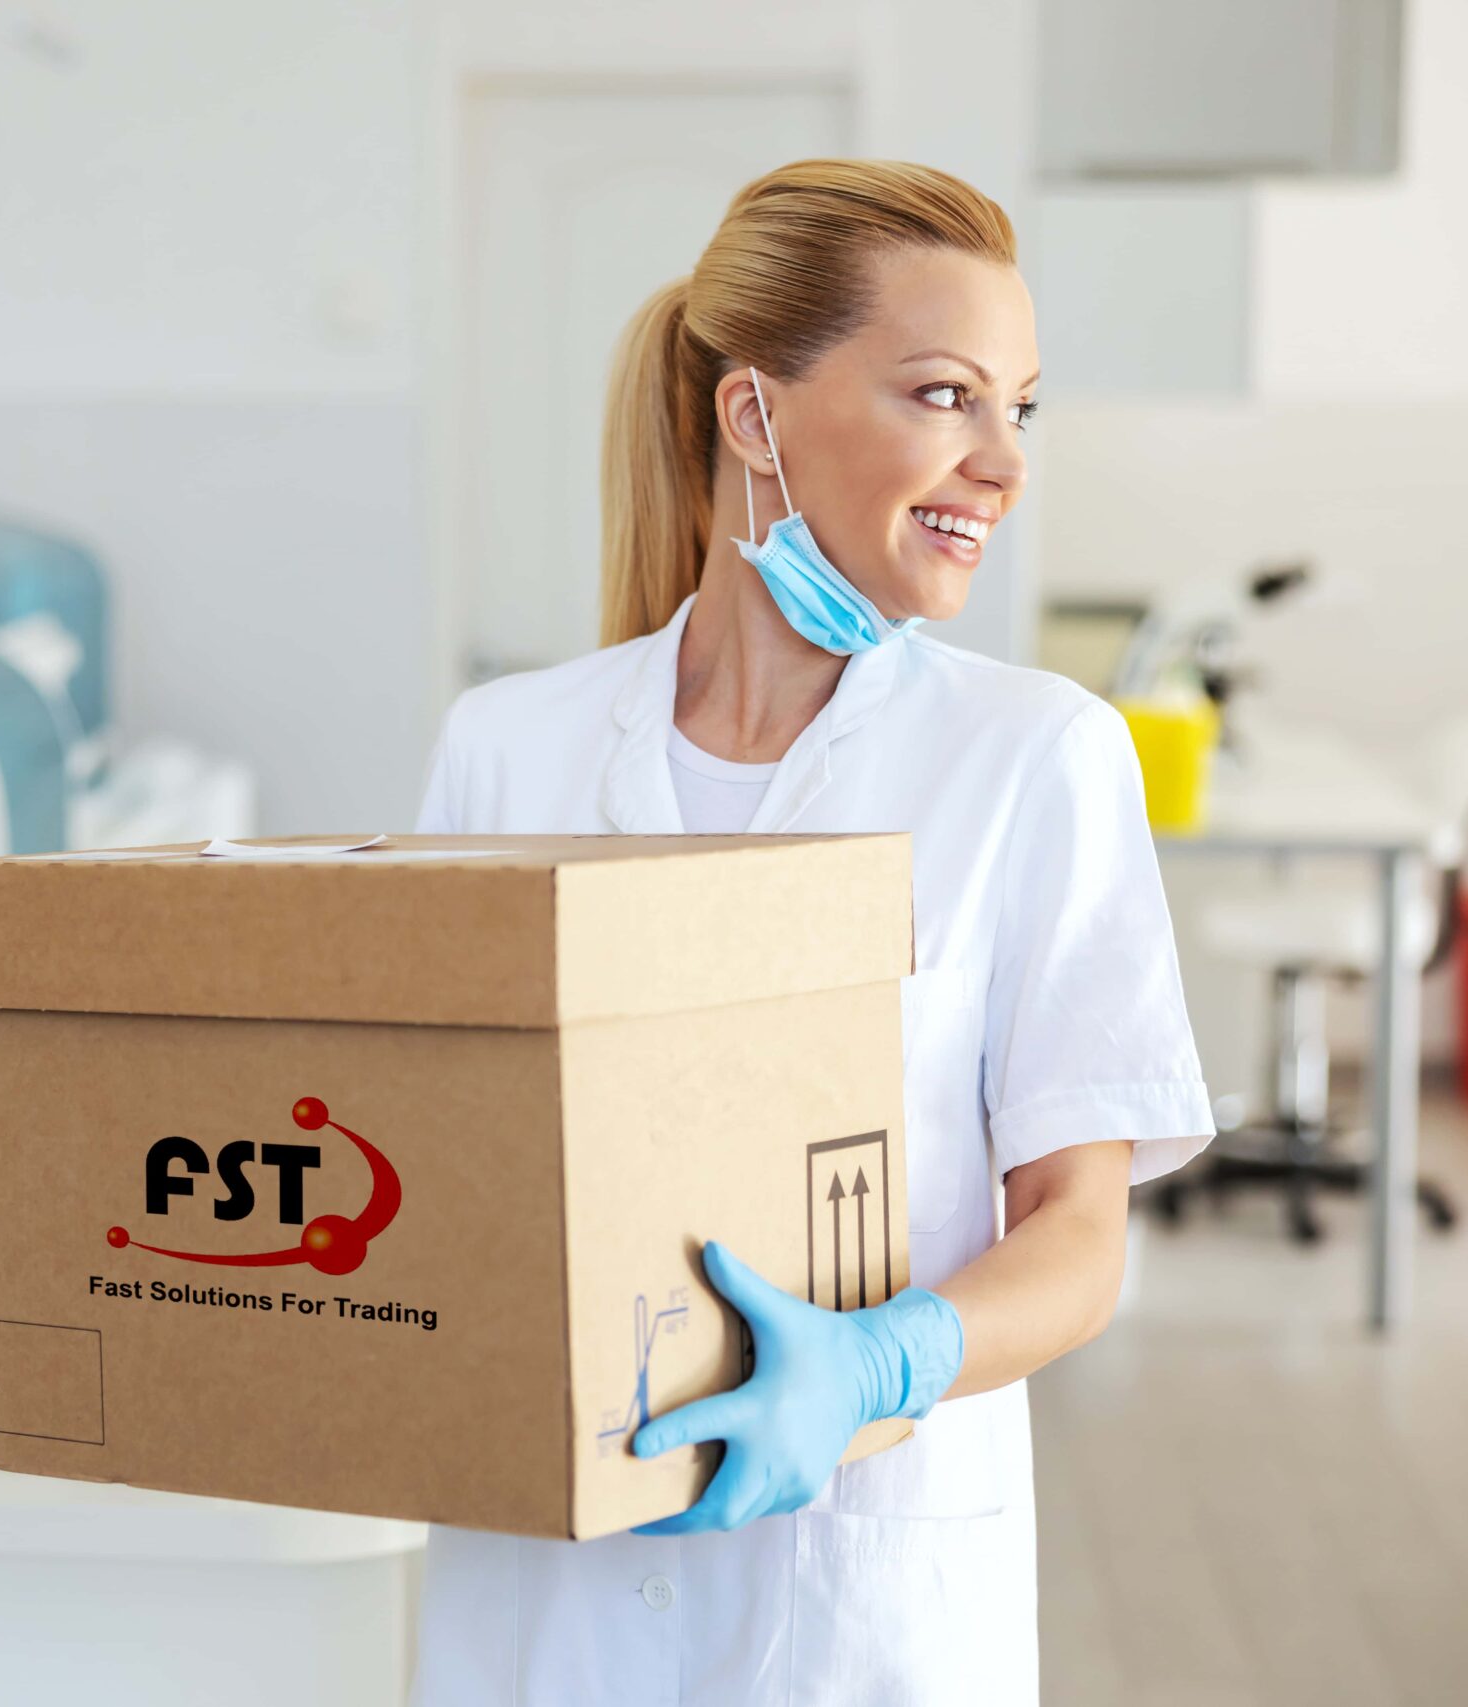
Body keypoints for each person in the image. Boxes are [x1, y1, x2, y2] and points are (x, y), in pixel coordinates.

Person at [407, 158, 1216, 1705]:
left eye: (1020, 409)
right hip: (544, 1599)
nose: (1002, 463)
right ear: (754, 417)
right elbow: (448, 1165)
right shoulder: (509, 752)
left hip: (860, 1606)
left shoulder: (1037, 758)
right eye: (944, 396)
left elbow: (1080, 1235)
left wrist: (875, 1367)